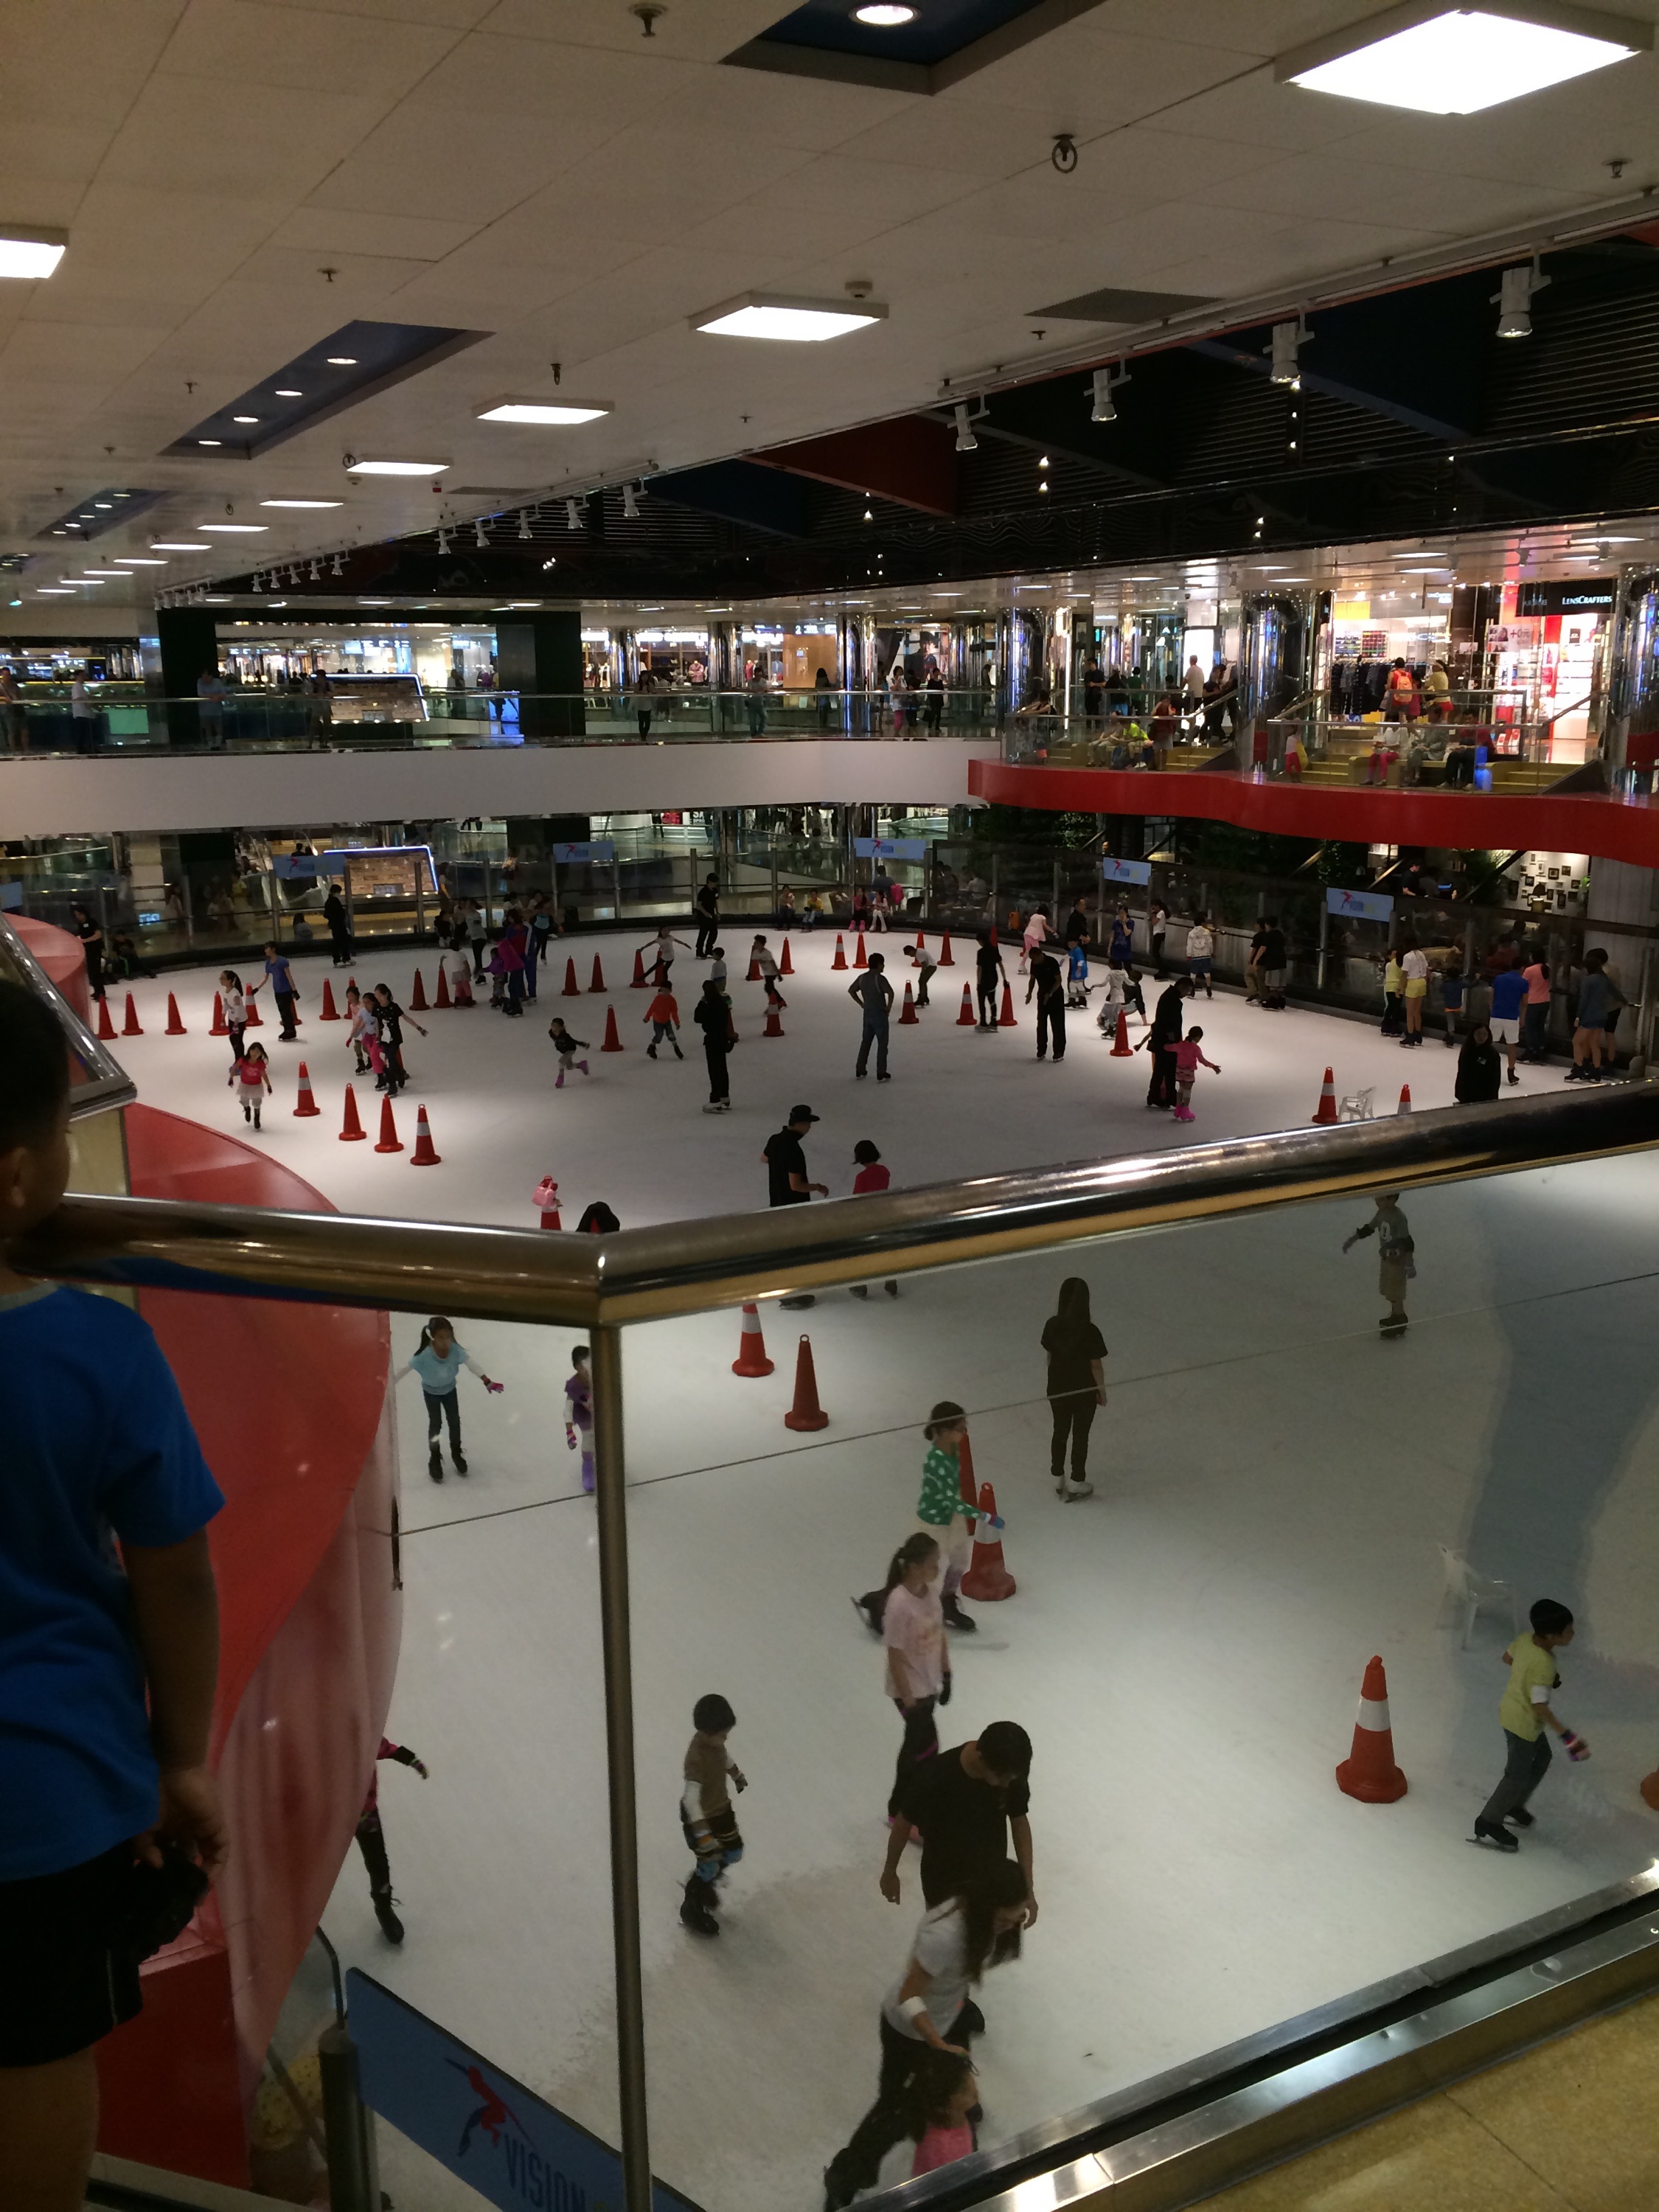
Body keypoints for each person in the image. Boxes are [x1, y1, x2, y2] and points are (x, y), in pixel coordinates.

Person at [0, 981, 227, 2212]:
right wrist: (180, 1759)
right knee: (36, 2057)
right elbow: (176, 1577)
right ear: (20, 1176)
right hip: (44, 1800)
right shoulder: (97, 1352)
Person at [822, 1861, 1027, 2209]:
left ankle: (957, 2110)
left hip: (948, 2017)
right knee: (894, 2111)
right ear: (985, 1907)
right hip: (910, 2032)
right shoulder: (944, 1937)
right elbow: (908, 1996)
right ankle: (845, 2178)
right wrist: (937, 2043)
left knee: (957, 2076)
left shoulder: (983, 1923)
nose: (1010, 1926)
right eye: (1004, 1920)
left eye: (1016, 1918)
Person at [1472, 1600, 1585, 1851]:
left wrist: (1533, 1675)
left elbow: (1507, 1658)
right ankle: (1489, 1820)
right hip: (1522, 1722)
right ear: (1552, 1636)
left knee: (1542, 1757)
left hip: (1513, 1711)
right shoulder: (1544, 1664)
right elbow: (1539, 1706)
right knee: (1516, 1774)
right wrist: (1565, 1734)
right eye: (1568, 1630)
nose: (1573, 1633)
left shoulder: (1525, 1640)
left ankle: (1514, 1804)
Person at [880, 1531, 948, 1817]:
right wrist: (907, 1698)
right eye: (934, 1564)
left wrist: (946, 1672)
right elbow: (894, 1654)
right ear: (916, 1567)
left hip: (928, 1684)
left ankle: (907, 1805)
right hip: (909, 1689)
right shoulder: (899, 1603)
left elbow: (940, 1634)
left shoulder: (931, 1594)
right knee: (924, 1748)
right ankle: (901, 1809)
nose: (938, 1569)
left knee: (922, 1747)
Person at [394, 1316, 502, 1482]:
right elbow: (404, 1369)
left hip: (450, 1391)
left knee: (454, 1421)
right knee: (436, 1424)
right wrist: (387, 1385)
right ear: (432, 1337)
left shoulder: (455, 1350)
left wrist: (486, 1380)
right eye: (441, 1337)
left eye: (448, 1337)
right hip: (431, 1393)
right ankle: (435, 1457)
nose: (445, 1342)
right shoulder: (424, 1356)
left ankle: (456, 1453)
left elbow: (470, 1363)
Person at [680, 1691, 747, 1937]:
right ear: (707, 1733)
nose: (726, 1737)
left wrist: (737, 1775)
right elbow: (690, 1800)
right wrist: (704, 1835)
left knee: (734, 1852)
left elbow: (724, 1757)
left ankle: (705, 1881)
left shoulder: (715, 1744)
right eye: (722, 1733)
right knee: (709, 1862)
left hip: (721, 1810)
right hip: (701, 1818)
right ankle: (692, 1903)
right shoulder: (696, 1758)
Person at [913, 1401, 979, 1635]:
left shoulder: (953, 1449)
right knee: (925, 1569)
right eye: (960, 1428)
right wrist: (982, 1515)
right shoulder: (936, 1461)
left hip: (951, 1517)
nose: (964, 1433)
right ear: (943, 1430)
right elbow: (949, 1498)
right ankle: (892, 1605)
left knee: (960, 1559)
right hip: (933, 1522)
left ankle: (947, 1600)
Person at [354, 1737, 428, 1943]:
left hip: (366, 1816)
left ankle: (384, 1907)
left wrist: (412, 1761)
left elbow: (386, 1748)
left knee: (378, 1864)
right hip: (331, 1819)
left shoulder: (363, 1738)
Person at [1041, 1277, 1105, 1502]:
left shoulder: (1052, 1325)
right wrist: (1101, 1391)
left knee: (1059, 1430)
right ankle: (1077, 1479)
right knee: (1080, 1435)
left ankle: (1057, 1475)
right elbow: (1096, 1365)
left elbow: (1050, 1357)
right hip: (1083, 1391)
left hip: (1058, 1389)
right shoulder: (1090, 1331)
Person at [765, 1107, 826, 1310]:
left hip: (776, 1203)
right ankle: (793, 1293)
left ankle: (785, 1290)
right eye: (808, 1124)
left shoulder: (775, 1139)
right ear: (800, 1124)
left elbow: (764, 1158)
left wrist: (778, 1164)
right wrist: (818, 1187)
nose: (809, 1128)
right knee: (796, 1252)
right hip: (793, 1208)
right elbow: (796, 1185)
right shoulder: (794, 1150)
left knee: (785, 1249)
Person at [1343, 1193, 1414, 1336]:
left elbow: (1407, 1241)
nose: (1377, 1201)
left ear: (1392, 1199)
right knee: (1388, 1289)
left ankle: (1400, 1320)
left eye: (1381, 1199)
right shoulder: (1381, 1213)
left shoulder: (1399, 1218)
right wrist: (1353, 1239)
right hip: (1386, 1258)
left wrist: (1409, 1263)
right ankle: (1395, 1315)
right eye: (1377, 1198)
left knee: (1395, 1291)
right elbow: (1369, 1228)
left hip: (1397, 1260)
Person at [906, 2048, 978, 2183]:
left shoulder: (957, 2115)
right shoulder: (942, 2152)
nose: (974, 2090)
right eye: (963, 2091)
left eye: (970, 2080)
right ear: (943, 2106)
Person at [1568, 947, 1621, 1082]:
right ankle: (1599, 1069)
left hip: (1594, 1012)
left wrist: (1578, 1016)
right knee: (1597, 1041)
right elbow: (1615, 992)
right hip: (1607, 1011)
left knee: (1578, 1041)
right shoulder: (1611, 970)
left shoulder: (1594, 978)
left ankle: (1580, 1066)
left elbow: (1585, 999)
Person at [1143, 975, 1192, 1109]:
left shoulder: (1169, 996)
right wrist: (1172, 1038)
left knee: (1163, 1070)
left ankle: (1163, 1096)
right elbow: (1167, 1020)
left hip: (1163, 1039)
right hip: (1167, 1041)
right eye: (1187, 991)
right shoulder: (1172, 1000)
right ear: (1181, 987)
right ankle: (1163, 1097)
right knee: (1166, 1070)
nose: (1186, 994)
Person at [850, 952, 894, 1080]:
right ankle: (881, 1071)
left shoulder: (862, 978)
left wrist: (861, 1003)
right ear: (879, 964)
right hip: (880, 1015)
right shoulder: (880, 979)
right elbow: (890, 992)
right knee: (882, 1044)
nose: (884, 966)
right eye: (883, 964)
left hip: (868, 1014)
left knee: (866, 1042)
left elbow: (851, 990)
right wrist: (888, 1007)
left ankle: (860, 1068)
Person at [374, 984, 422, 1094]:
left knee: (391, 1059)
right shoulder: (377, 1008)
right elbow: (377, 1022)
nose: (378, 998)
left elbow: (405, 1017)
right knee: (389, 1060)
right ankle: (399, 1073)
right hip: (384, 1038)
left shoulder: (393, 1007)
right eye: (376, 995)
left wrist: (418, 1028)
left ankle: (392, 1086)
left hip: (394, 1037)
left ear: (386, 994)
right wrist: (377, 1037)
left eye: (379, 995)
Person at [694, 978, 733, 1114]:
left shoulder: (708, 1005)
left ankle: (715, 1099)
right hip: (722, 1039)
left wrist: (701, 1002)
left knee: (714, 1070)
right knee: (722, 1068)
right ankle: (724, 1096)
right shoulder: (722, 1003)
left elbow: (697, 1018)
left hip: (712, 1039)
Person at [1026, 939, 1065, 1061]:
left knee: (1057, 1024)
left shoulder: (1052, 962)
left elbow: (1059, 981)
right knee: (1041, 1023)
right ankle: (1041, 1050)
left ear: (1039, 955)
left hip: (1056, 996)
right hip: (1042, 995)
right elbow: (1032, 979)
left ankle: (1058, 1052)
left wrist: (1050, 993)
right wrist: (1030, 993)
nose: (1033, 962)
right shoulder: (1034, 964)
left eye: (1034, 959)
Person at [1489, 958, 1526, 1085]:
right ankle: (1511, 1072)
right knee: (1512, 1045)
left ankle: (1487, 1067)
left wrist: (1492, 1010)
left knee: (1490, 1043)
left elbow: (1491, 996)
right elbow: (1525, 1002)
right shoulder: (1523, 982)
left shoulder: (1499, 979)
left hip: (1496, 1015)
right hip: (1512, 1016)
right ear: (1522, 968)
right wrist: (1522, 1018)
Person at [1171, 1025, 1220, 1122]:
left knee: (1181, 1088)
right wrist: (1213, 1066)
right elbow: (1202, 1060)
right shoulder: (1195, 1048)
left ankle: (1178, 1109)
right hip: (1189, 1071)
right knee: (1188, 1090)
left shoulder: (1181, 1044)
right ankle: (1185, 1111)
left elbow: (1170, 1048)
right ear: (1198, 1037)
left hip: (1179, 1070)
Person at [564, 1343, 594, 1496]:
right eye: (584, 1365)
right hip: (585, 1417)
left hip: (601, 1414)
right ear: (577, 1367)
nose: (588, 1368)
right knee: (589, 1438)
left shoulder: (599, 1379)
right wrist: (569, 1431)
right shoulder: (574, 1386)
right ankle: (588, 1468)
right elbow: (568, 1409)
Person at [258, 941, 299, 1041]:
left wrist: (294, 990)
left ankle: (290, 1031)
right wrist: (257, 988)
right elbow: (265, 978)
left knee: (286, 1012)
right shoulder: (268, 963)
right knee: (282, 1011)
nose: (265, 950)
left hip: (285, 990)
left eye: (267, 948)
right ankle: (288, 1030)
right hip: (277, 990)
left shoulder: (282, 961)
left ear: (273, 949)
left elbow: (289, 976)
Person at [227, 1040, 272, 1130]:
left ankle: (257, 1116)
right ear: (249, 1051)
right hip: (245, 1084)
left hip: (256, 1086)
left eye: (257, 1052)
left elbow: (264, 1074)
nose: (254, 1053)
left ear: (261, 1054)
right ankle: (247, 1109)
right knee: (243, 1100)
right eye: (253, 1050)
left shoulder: (260, 1064)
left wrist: (268, 1085)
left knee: (257, 1102)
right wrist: (231, 1078)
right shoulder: (243, 1060)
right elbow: (235, 1067)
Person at [1455, 1022, 1502, 1104]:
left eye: (1485, 1034)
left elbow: (1495, 1079)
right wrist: (1459, 1092)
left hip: (1483, 1097)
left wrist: (1492, 1099)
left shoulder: (1492, 1054)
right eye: (1478, 1033)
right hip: (1466, 1094)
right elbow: (1461, 1072)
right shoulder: (1466, 1050)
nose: (1481, 1037)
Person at [69, 902, 105, 1004]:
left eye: (78, 914)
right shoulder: (80, 924)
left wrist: (85, 941)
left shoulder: (92, 922)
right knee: (91, 972)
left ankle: (101, 992)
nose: (77, 917)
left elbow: (98, 934)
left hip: (95, 950)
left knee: (96, 971)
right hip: (87, 950)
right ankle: (97, 991)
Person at [1519, 949, 1551, 1065]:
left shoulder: (1530, 970)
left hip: (1533, 1001)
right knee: (1540, 1027)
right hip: (1545, 1000)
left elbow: (1523, 985)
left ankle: (1531, 1049)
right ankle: (1541, 1050)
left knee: (1530, 1028)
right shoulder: (1546, 968)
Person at [546, 1015, 591, 1088]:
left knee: (561, 1062)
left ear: (561, 1028)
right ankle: (581, 1065)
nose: (554, 1029)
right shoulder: (551, 1033)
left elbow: (574, 1041)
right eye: (553, 1026)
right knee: (569, 1067)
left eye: (557, 1027)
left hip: (570, 1050)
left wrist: (583, 1044)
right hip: (564, 1050)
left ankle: (560, 1080)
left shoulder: (565, 1036)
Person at [1253, 914, 1287, 1009]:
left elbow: (1263, 948)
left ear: (1267, 924)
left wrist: (1256, 960)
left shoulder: (1268, 935)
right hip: (1282, 960)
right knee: (1280, 983)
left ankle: (1273, 1001)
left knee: (1273, 983)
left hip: (1273, 961)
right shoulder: (1279, 934)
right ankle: (1281, 1000)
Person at [973, 929, 1005, 1032]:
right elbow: (1001, 965)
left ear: (981, 941)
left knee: (982, 1001)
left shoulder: (981, 952)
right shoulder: (994, 950)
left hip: (984, 978)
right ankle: (994, 1021)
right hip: (993, 978)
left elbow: (980, 968)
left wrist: (978, 982)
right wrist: (1005, 979)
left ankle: (983, 1022)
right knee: (992, 1000)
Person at [1400, 941, 1430, 1046]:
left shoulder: (1407, 956)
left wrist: (1401, 988)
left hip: (1412, 982)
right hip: (1422, 981)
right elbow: (1427, 968)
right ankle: (1418, 1034)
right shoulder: (1421, 954)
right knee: (1417, 1011)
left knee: (1410, 1012)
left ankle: (1410, 1036)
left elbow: (1404, 974)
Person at [644, 981, 682, 1060]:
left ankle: (676, 1048)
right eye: (663, 990)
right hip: (657, 1021)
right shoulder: (658, 999)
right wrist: (647, 1017)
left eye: (666, 991)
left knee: (671, 1034)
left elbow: (674, 1013)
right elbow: (651, 1009)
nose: (664, 993)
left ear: (670, 991)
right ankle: (652, 1047)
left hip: (666, 1021)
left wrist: (677, 1023)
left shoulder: (672, 1001)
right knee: (659, 1035)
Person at [343, 982, 375, 1075]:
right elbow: (355, 1019)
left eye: (351, 996)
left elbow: (364, 1019)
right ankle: (361, 1063)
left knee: (366, 1048)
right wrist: (353, 1033)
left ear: (357, 995)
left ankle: (372, 1059)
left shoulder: (362, 1007)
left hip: (364, 1030)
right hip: (357, 1030)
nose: (350, 998)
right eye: (348, 996)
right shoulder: (351, 1006)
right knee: (357, 1047)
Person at [1439, 954, 1467, 1046]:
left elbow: (1441, 990)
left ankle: (1451, 1037)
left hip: (1449, 1006)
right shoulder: (1460, 984)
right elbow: (1471, 985)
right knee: (1453, 1021)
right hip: (1458, 1006)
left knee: (1450, 1022)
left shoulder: (1446, 984)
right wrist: (1477, 979)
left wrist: (1444, 981)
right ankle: (1448, 1035)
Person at [1184, 911, 1214, 998]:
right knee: (1207, 972)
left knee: (1193, 973)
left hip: (1196, 955)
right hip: (1206, 954)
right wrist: (1211, 952)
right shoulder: (1207, 932)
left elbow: (1190, 945)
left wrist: (1189, 955)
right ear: (1202, 923)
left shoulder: (1191, 933)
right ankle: (1208, 988)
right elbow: (1210, 943)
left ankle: (1192, 991)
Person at [196, 665, 227, 748]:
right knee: (207, 728)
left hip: (217, 710)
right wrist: (213, 696)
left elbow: (223, 694)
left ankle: (218, 744)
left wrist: (217, 697)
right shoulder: (200, 682)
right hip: (204, 711)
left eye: (207, 677)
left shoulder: (217, 682)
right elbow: (200, 694)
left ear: (211, 676)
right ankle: (210, 744)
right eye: (203, 677)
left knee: (218, 727)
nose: (205, 679)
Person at [321, 884, 352, 967]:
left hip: (338, 924)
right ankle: (338, 959)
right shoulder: (332, 901)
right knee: (339, 942)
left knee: (342, 941)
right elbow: (328, 914)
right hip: (337, 924)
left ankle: (345, 958)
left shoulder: (332, 901)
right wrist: (337, 917)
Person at [902, 939, 936, 1009]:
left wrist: (922, 973)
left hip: (931, 967)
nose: (910, 956)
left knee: (922, 981)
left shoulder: (919, 954)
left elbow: (924, 965)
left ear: (911, 951)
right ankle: (925, 997)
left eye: (909, 954)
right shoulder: (920, 951)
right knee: (923, 982)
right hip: (932, 966)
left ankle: (921, 999)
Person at [694, 873, 720, 959]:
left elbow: (715, 902)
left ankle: (709, 949)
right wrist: (705, 913)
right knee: (703, 933)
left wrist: (717, 912)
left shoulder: (715, 891)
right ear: (709, 881)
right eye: (714, 882)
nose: (715, 884)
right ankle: (699, 951)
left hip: (712, 914)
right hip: (703, 915)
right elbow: (699, 904)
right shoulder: (703, 891)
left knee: (714, 932)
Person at [1020, 902, 1051, 976]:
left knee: (1028, 950)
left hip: (1027, 933)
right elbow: (1045, 926)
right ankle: (1039, 968)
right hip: (1034, 936)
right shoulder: (1043, 917)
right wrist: (1052, 931)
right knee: (1037, 952)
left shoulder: (1033, 916)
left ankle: (1022, 965)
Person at [1147, 897, 1169, 978]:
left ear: (1157, 906)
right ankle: (1162, 969)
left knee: (1155, 952)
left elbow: (1154, 923)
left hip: (1159, 933)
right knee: (1156, 952)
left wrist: (1153, 914)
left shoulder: (1160, 913)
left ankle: (1162, 969)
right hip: (1159, 933)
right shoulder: (1161, 913)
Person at [815, 663, 834, 732]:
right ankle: (824, 724)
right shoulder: (825, 679)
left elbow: (816, 688)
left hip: (820, 697)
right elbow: (828, 686)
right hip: (825, 697)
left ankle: (821, 724)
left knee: (820, 712)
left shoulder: (817, 680)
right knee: (825, 712)